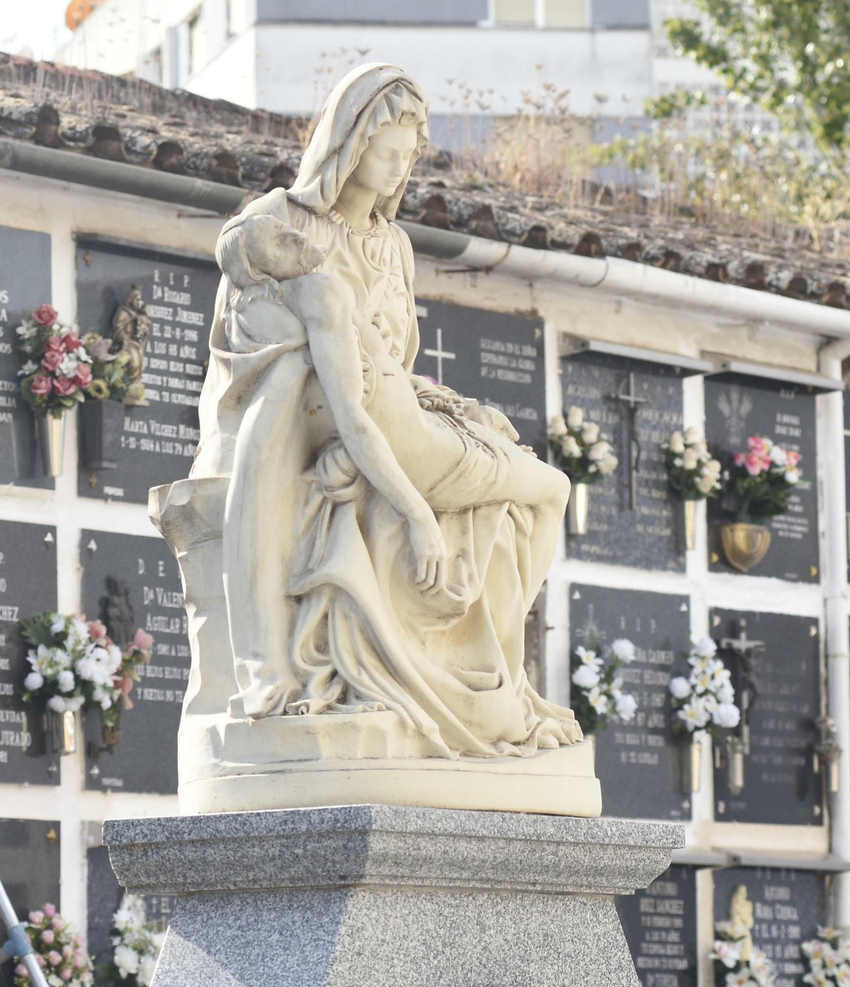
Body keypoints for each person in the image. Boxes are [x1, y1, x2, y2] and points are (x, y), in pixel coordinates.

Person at [197, 63, 577, 757]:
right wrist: (345, 435)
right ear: (348, 142)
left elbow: (392, 367)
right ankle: (479, 693)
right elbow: (252, 352)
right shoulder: (280, 228)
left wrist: (443, 403)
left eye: (410, 153)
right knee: (540, 491)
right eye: (387, 148)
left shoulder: (395, 246)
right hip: (316, 429)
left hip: (386, 421)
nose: (400, 165)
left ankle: (490, 681)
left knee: (513, 481)